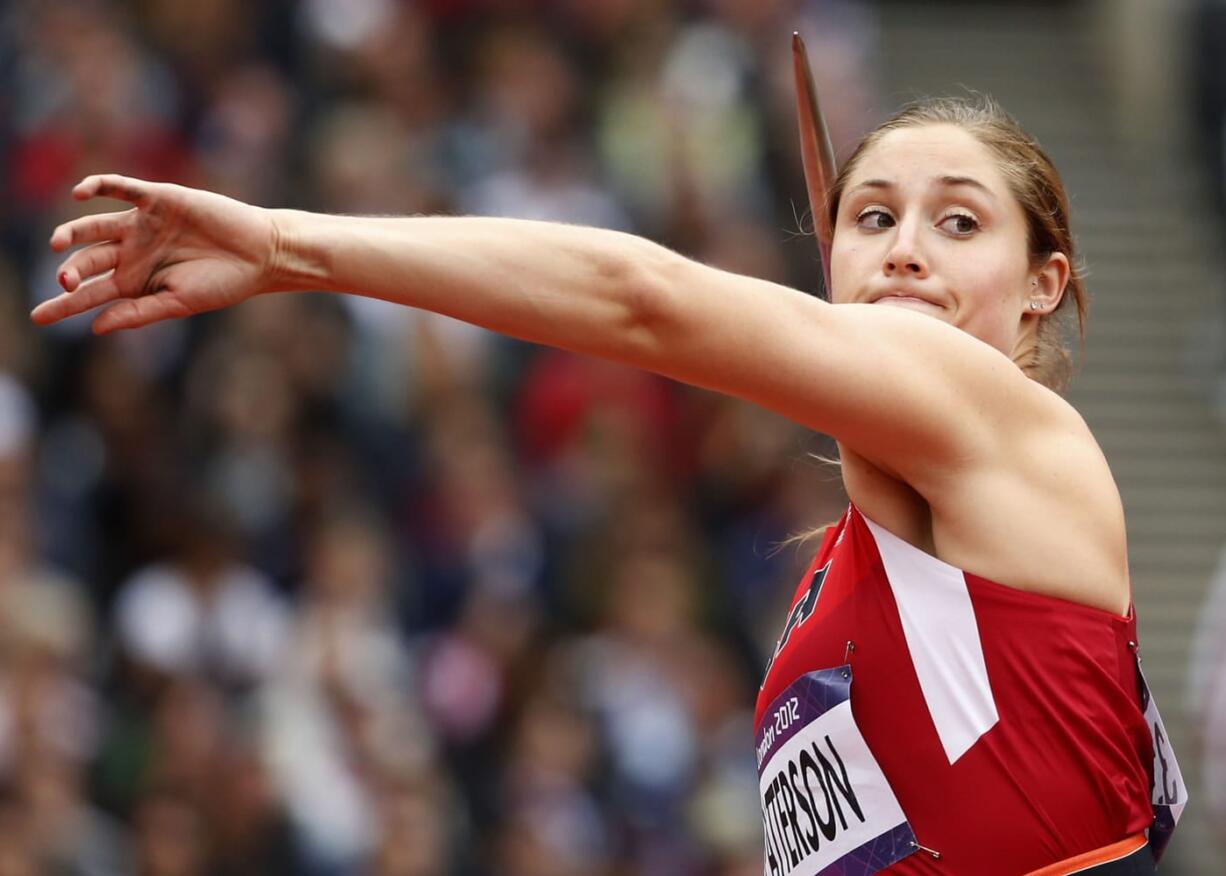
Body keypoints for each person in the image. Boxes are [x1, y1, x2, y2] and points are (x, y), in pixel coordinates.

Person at [32, 96, 1178, 874]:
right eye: (870, 217)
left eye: (958, 222)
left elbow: (640, 297)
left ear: (1043, 285)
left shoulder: (1013, 424)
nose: (903, 250)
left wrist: (288, 244)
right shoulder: (837, 571)